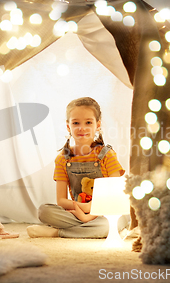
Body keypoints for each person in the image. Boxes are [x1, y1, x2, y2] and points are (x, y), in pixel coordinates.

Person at [27, 97, 129, 238]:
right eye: (76, 123)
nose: (82, 128)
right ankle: (88, 229)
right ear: (68, 126)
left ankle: (56, 232)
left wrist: (89, 212)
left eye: (88, 122)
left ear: (97, 125)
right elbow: (61, 201)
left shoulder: (107, 155)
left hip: (105, 211)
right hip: (77, 210)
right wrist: (81, 211)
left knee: (111, 224)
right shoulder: (63, 159)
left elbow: (115, 196)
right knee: (44, 211)